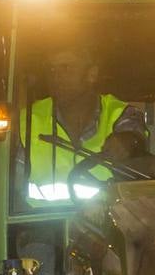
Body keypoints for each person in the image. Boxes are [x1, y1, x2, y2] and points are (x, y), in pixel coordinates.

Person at [19, 42, 146, 201]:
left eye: (66, 68)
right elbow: (12, 184)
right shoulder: (28, 119)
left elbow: (134, 133)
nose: (56, 77)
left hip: (104, 223)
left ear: (91, 74)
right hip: (41, 222)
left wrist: (128, 141)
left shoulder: (120, 113)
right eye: (51, 70)